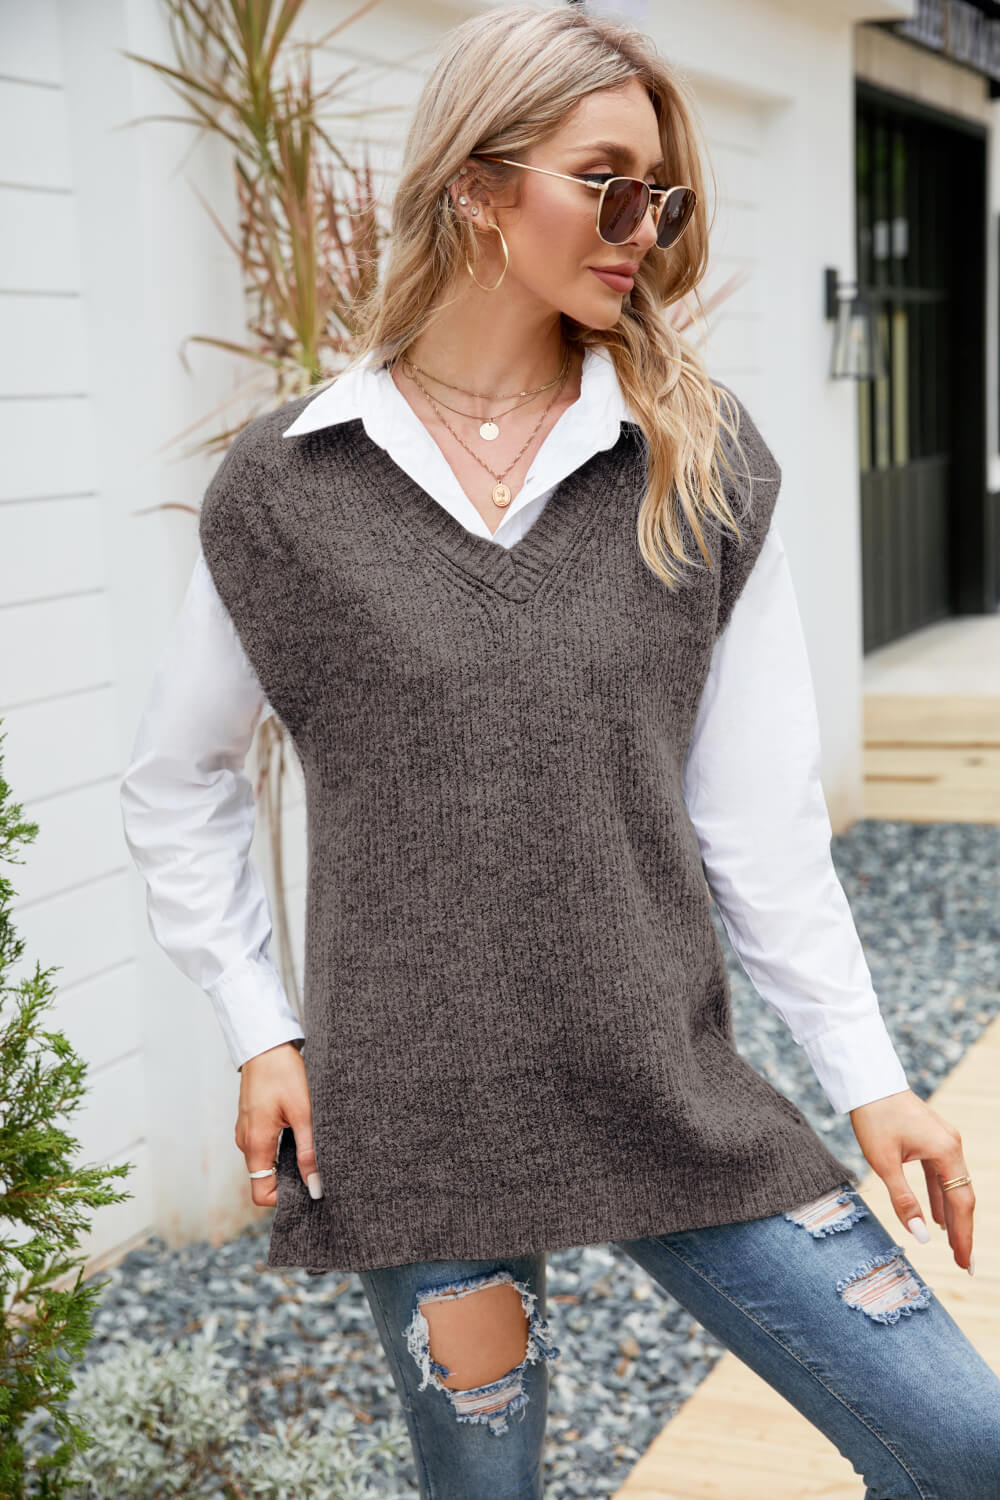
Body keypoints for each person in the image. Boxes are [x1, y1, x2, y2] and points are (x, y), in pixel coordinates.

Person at [120, 6, 1000, 1497]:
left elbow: (759, 824)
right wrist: (262, 1027)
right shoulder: (289, 486)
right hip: (420, 1120)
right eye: (607, 185)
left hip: (671, 1091)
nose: (643, 229)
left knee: (966, 1443)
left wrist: (872, 1080)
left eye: (661, 197)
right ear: (478, 184)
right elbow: (179, 778)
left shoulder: (696, 464)